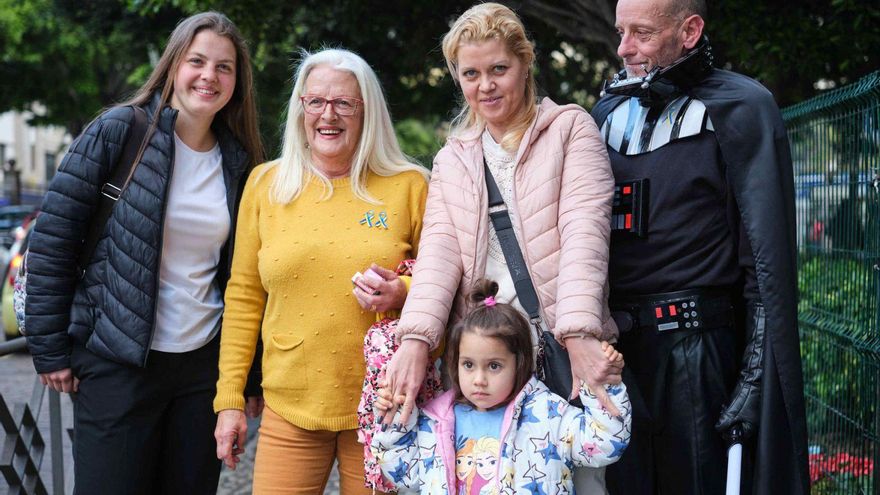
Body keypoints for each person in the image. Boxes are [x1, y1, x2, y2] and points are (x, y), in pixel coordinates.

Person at [381, 3, 621, 491]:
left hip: (558, 346)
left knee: (581, 480)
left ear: (524, 64)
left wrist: (576, 334)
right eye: (471, 74)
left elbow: (584, 234)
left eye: (498, 69)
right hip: (486, 352)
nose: (485, 86)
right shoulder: (453, 158)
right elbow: (439, 254)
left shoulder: (571, 130)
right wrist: (415, 340)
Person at [23, 12, 265, 494]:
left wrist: (248, 376)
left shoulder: (241, 162)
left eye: (224, 68)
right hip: (116, 361)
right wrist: (50, 349)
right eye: (197, 61)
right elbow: (52, 242)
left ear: (237, 83)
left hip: (202, 370)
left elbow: (250, 278)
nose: (209, 77)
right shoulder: (119, 131)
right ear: (174, 64)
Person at [591, 0, 809, 493]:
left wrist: (754, 380)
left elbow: (765, 265)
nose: (624, 48)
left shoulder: (741, 107)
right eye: (621, 31)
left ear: (689, 31)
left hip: (699, 351)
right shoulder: (604, 112)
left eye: (642, 34)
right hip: (616, 353)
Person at [212, 48, 428, 494]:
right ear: (300, 109)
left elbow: (446, 283)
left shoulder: (410, 186)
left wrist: (403, 291)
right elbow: (244, 298)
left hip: (388, 407)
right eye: (316, 101)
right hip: (291, 404)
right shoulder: (266, 185)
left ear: (367, 111)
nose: (328, 115)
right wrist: (230, 400)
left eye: (344, 103)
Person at [371, 280, 632, 493]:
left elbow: (606, 445)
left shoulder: (548, 414)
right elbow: (403, 475)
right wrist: (393, 421)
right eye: (469, 365)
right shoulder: (436, 420)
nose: (479, 379)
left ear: (518, 364)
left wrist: (604, 384)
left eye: (494, 366)